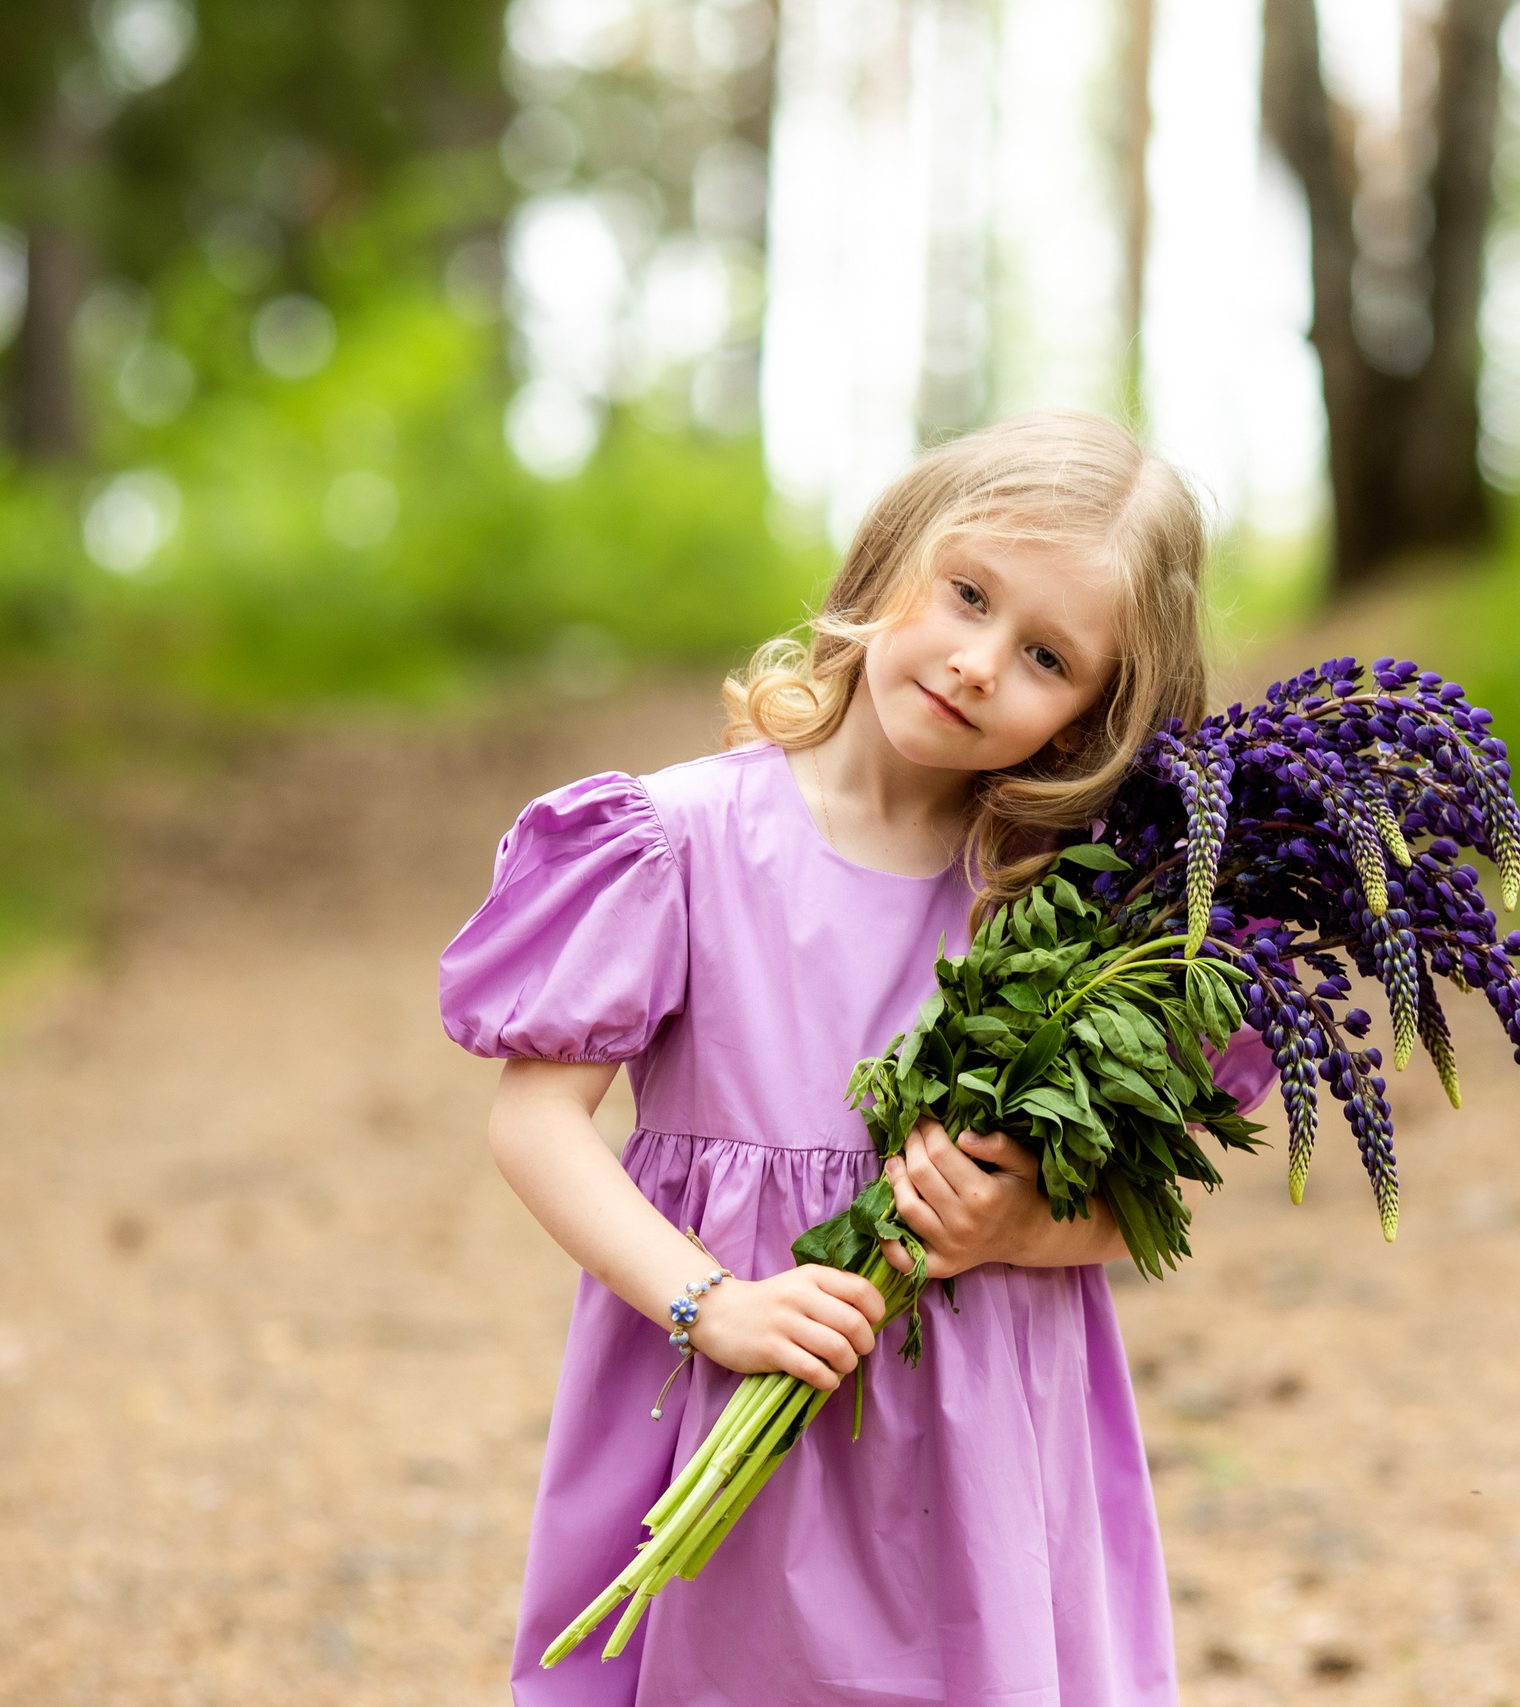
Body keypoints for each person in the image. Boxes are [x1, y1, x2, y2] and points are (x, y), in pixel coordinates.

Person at [439, 410, 1275, 1706]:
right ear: (892, 561)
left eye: (1046, 655)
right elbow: (535, 1124)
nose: (979, 661)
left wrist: (1012, 1225)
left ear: (1089, 721)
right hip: (728, 1388)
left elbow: (1143, 1214)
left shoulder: (1076, 914)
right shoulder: (680, 843)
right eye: (967, 595)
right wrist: (708, 1302)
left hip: (980, 1451)